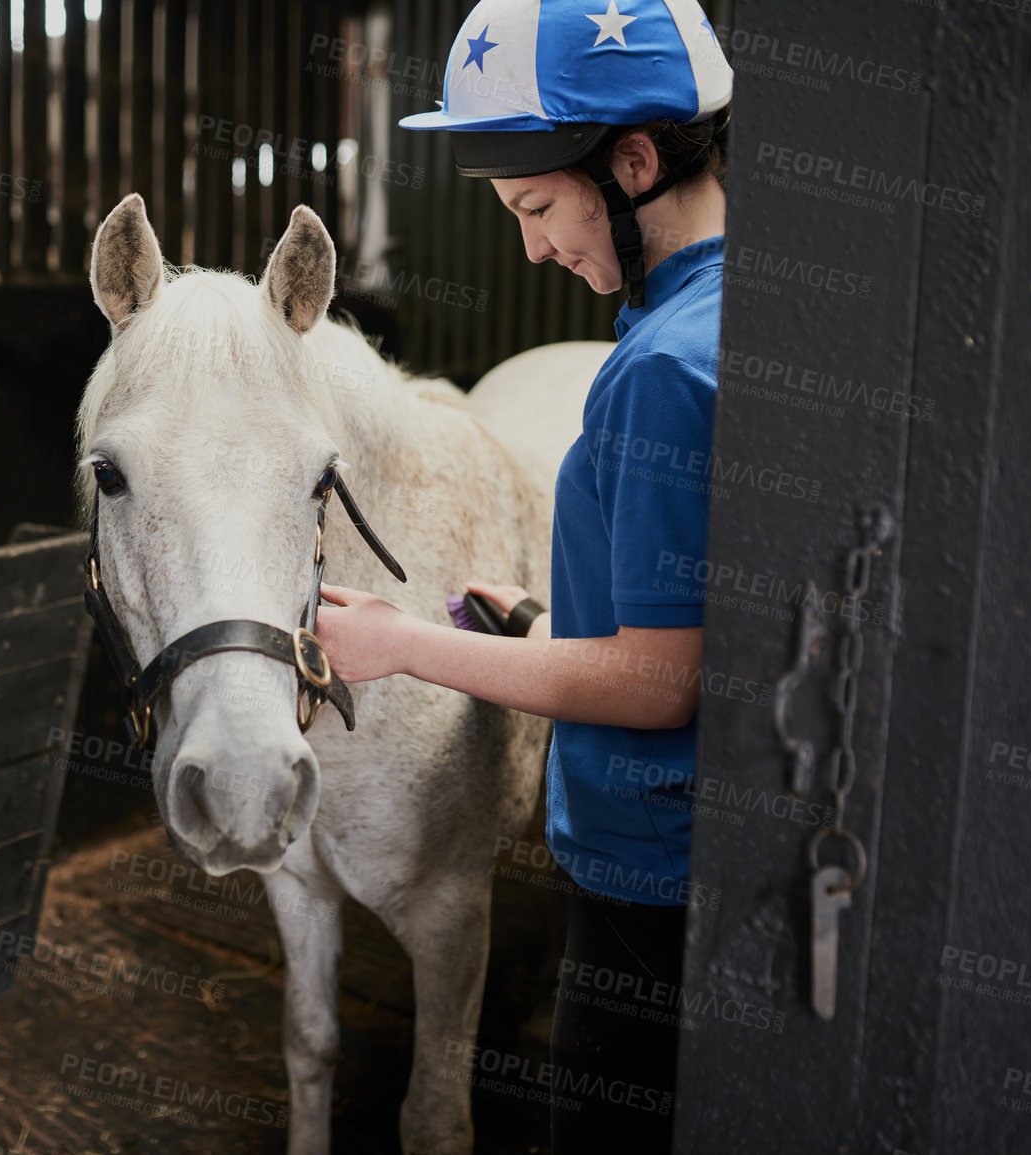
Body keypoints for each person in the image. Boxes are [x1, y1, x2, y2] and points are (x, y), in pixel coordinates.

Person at [314, 1, 733, 1150]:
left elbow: (660, 683)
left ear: (635, 161)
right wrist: (547, 626)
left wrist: (404, 644)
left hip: (647, 874)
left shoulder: (659, 371)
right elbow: (697, 618)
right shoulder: (718, 317)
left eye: (538, 207)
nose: (535, 247)